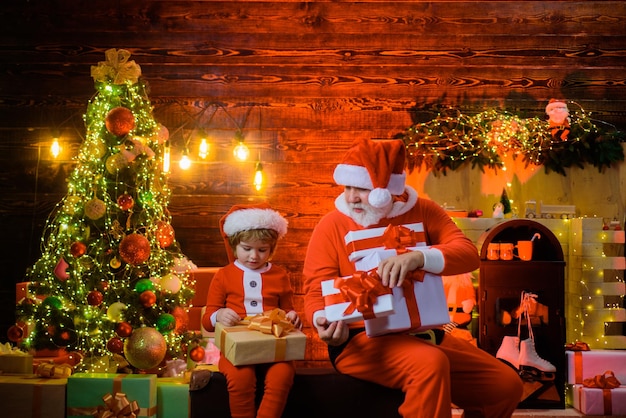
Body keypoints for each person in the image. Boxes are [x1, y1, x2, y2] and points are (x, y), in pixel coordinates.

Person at [303, 138, 523, 418]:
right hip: (360, 341)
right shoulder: (331, 225)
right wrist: (320, 320)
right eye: (347, 187)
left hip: (426, 335)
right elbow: (314, 290)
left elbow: (468, 254)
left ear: (387, 191)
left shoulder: (424, 211)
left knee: (505, 386)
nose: (350, 197)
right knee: (429, 364)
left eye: (361, 188)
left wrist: (421, 257)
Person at [202, 203, 302, 418]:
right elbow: (208, 321)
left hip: (274, 346)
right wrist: (218, 315)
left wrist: (292, 317)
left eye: (262, 250)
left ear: (271, 249)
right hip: (236, 348)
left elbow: (289, 310)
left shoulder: (280, 276)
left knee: (282, 376)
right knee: (241, 380)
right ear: (234, 245)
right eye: (247, 249)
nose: (254, 256)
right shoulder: (224, 275)